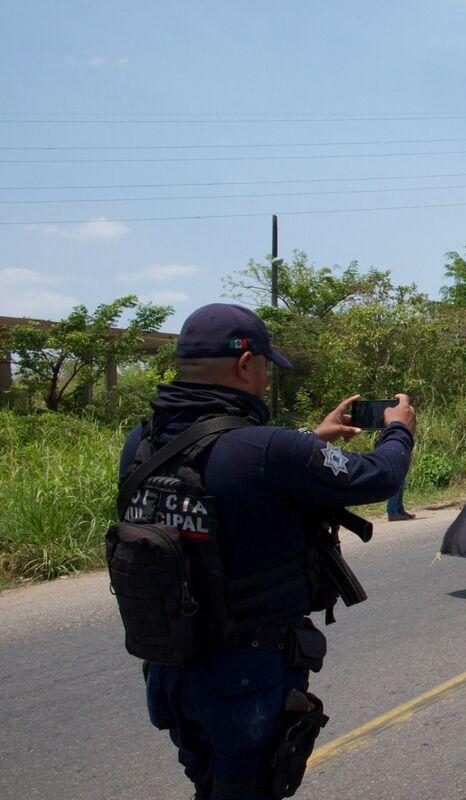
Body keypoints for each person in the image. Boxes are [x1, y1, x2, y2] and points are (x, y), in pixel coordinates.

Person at [114, 303, 416, 799]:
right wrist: (398, 428)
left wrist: (312, 440)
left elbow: (223, 468)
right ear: (245, 364)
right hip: (245, 676)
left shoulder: (142, 444)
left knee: (209, 783)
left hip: (169, 664)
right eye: (264, 368)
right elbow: (380, 476)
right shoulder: (270, 450)